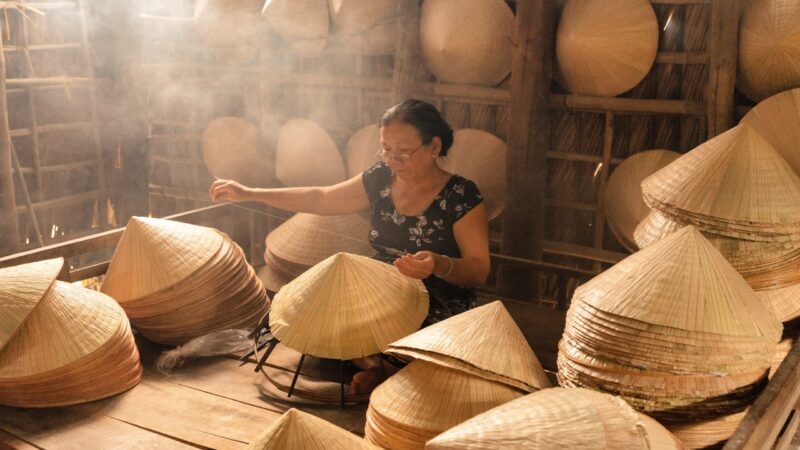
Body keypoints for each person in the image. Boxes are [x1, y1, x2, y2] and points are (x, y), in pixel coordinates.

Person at [209, 99, 490, 394]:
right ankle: (377, 368)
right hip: (381, 289)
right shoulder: (381, 177)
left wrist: (438, 263)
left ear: (434, 147)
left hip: (440, 297)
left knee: (418, 347)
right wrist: (250, 192)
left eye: (404, 152)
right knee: (323, 320)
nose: (394, 160)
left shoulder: (461, 195)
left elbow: (479, 270)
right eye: (387, 149)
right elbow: (320, 198)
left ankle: (383, 369)